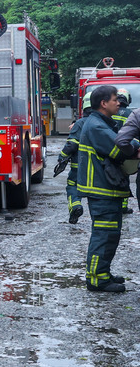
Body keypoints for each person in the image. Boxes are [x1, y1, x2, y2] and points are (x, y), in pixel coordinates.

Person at [77, 85, 130, 293]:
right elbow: (120, 148)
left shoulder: (100, 123)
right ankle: (96, 279)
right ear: (103, 103)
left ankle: (103, 272)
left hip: (106, 188)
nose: (119, 103)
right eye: (115, 99)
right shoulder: (97, 127)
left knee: (110, 235)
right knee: (103, 236)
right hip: (101, 189)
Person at [57, 92, 92, 224]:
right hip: (99, 167)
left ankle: (76, 206)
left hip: (79, 167)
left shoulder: (79, 123)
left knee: (73, 186)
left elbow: (71, 145)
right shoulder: (103, 122)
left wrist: (62, 157)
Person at [112, 88, 134, 214]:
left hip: (110, 148)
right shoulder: (130, 113)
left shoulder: (109, 112)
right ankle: (123, 205)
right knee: (124, 176)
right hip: (125, 148)